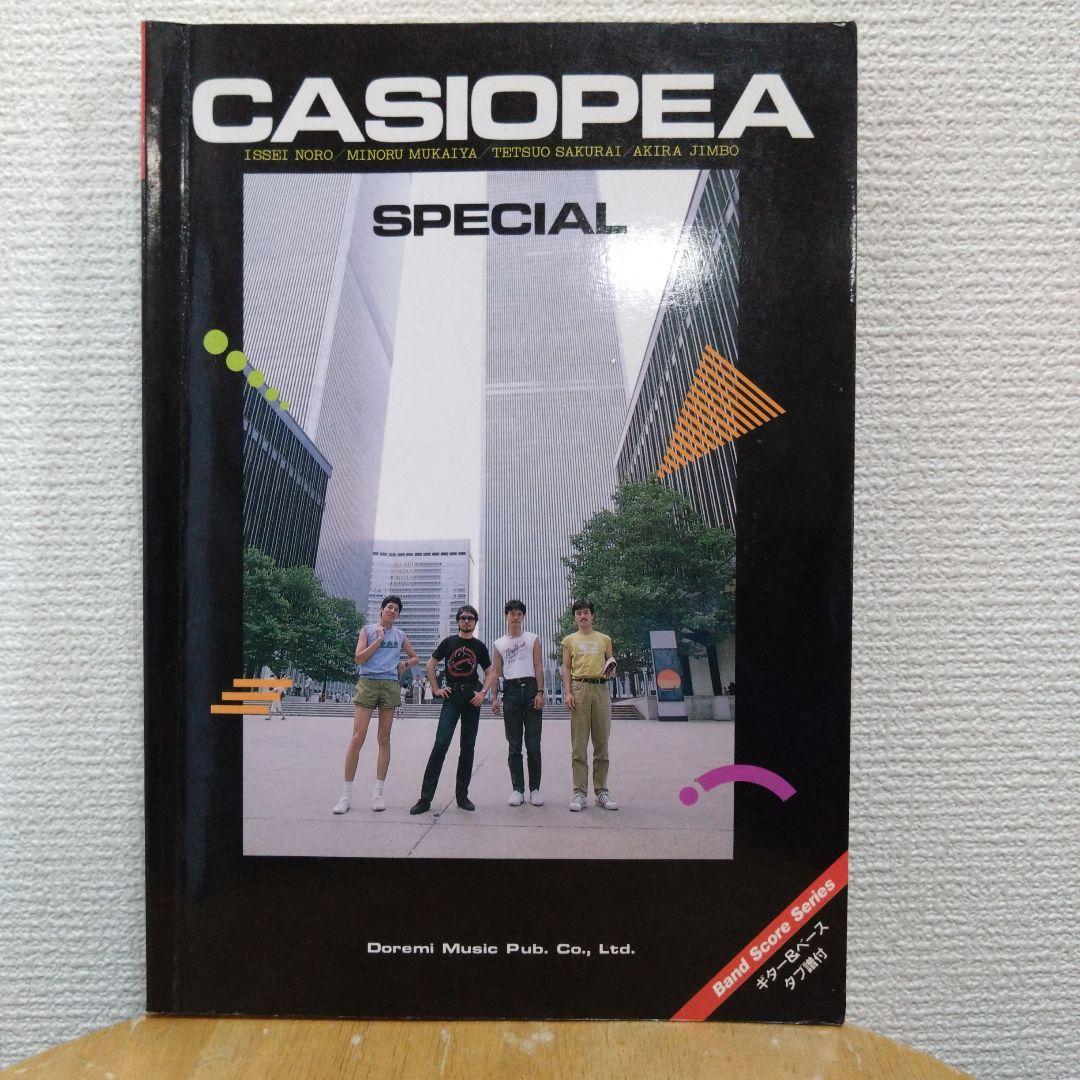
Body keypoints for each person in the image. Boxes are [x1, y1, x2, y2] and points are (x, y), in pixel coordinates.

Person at [332, 595, 418, 815]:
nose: (393, 611)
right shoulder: (368, 630)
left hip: (390, 684)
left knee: (384, 738)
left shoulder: (400, 635)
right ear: (382, 609)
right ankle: (345, 796)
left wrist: (404, 664)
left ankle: (378, 794)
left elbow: (415, 657)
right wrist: (378, 640)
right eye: (390, 607)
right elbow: (359, 658)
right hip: (368, 682)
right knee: (357, 737)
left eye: (396, 609)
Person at [410, 605, 495, 814]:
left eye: (470, 618)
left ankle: (462, 796)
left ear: (475, 622)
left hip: (472, 698)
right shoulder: (448, 642)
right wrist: (436, 689)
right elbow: (430, 665)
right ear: (458, 621)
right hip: (451, 697)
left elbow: (490, 671)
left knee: (468, 747)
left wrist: (483, 693)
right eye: (463, 618)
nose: (467, 621)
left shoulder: (479, 646)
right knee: (441, 744)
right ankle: (425, 799)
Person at [561, 599, 618, 812]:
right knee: (579, 745)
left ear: (593, 615)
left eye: (586, 612)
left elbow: (611, 663)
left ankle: (602, 791)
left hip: (601, 688)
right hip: (579, 688)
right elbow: (566, 668)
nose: (583, 616)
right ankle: (579, 793)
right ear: (574, 618)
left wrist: (612, 668)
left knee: (602, 744)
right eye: (578, 613)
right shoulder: (569, 640)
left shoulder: (604, 639)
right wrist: (568, 692)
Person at [491, 599, 545, 807]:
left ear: (523, 617)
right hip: (511, 691)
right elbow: (496, 672)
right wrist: (494, 698)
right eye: (512, 613)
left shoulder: (533, 639)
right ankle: (518, 789)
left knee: (533, 744)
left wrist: (540, 692)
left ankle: (535, 789)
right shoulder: (499, 644)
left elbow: (538, 666)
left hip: (531, 689)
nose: (515, 617)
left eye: (519, 614)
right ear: (506, 616)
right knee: (514, 745)